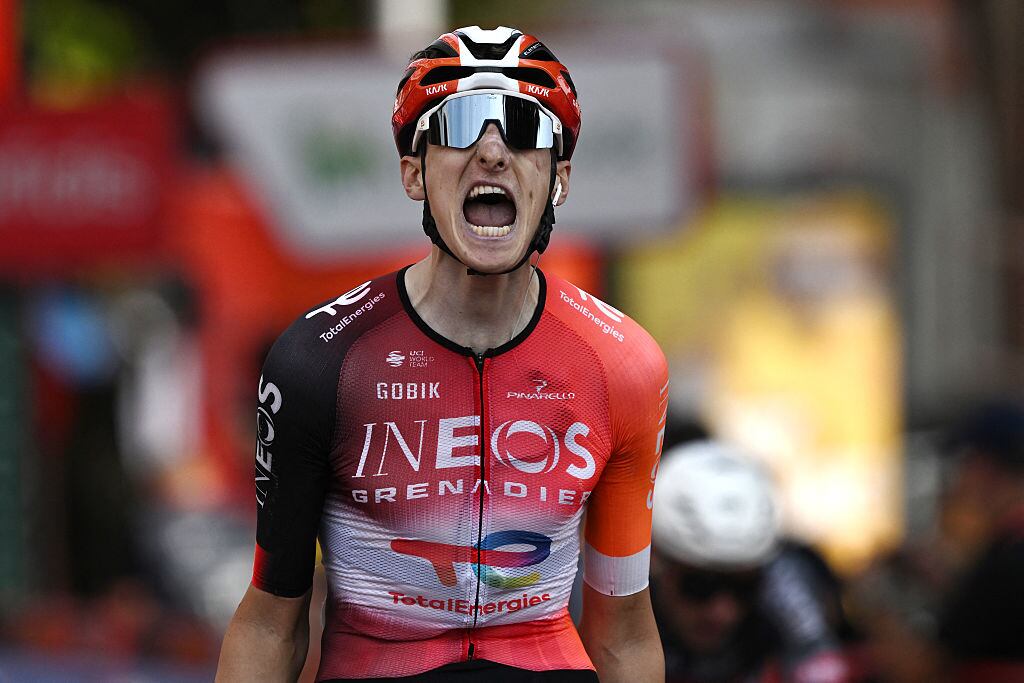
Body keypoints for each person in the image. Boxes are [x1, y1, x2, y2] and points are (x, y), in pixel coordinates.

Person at [216, 26, 668, 682]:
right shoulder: (320, 359)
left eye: (524, 130)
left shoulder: (622, 364)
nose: (492, 152)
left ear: (560, 178)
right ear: (413, 172)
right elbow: (269, 621)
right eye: (457, 127)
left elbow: (625, 633)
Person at [651, 440, 851, 683]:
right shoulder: (618, 595)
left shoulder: (787, 582)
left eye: (745, 587)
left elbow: (821, 664)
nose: (723, 612)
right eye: (700, 586)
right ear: (656, 564)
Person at [936, 401, 1024, 682]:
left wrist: (875, 602)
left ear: (986, 468)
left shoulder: (1006, 557)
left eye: (965, 462)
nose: (960, 479)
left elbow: (927, 668)